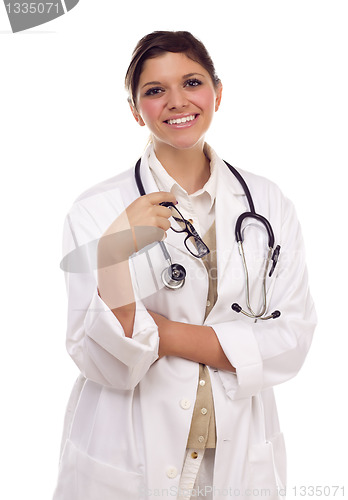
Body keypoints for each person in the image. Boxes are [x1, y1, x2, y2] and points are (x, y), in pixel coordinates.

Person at [53, 31, 316, 500]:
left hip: (235, 460)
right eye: (155, 91)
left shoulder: (269, 204)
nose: (177, 101)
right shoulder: (95, 210)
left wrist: (165, 334)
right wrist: (113, 254)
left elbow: (291, 341)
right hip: (128, 456)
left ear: (217, 92)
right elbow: (100, 360)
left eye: (191, 82)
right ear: (135, 110)